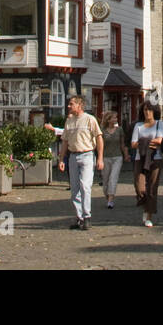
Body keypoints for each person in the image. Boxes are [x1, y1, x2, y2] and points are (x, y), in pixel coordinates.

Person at [57, 95, 104, 229]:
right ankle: (79, 217)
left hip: (87, 155)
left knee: (85, 186)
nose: (69, 106)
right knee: (74, 189)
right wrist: (61, 159)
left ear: (79, 105)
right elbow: (65, 141)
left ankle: (87, 216)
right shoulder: (69, 121)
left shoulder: (90, 119)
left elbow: (99, 138)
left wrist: (100, 158)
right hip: (73, 156)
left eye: (71, 104)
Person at [130, 102, 163, 227]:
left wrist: (145, 142)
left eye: (149, 110)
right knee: (139, 187)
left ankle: (149, 213)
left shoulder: (159, 124)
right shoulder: (138, 126)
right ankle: (145, 205)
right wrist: (146, 142)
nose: (147, 112)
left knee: (152, 188)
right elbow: (133, 143)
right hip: (141, 158)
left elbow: (159, 140)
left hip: (155, 158)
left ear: (154, 111)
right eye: (145, 110)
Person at [99, 112, 126, 209]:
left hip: (117, 157)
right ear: (108, 120)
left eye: (116, 118)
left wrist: (126, 155)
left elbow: (122, 144)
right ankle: (108, 196)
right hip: (105, 157)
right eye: (114, 118)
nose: (116, 120)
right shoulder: (102, 131)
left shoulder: (120, 130)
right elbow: (99, 146)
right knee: (105, 180)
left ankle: (110, 200)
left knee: (113, 178)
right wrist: (99, 158)